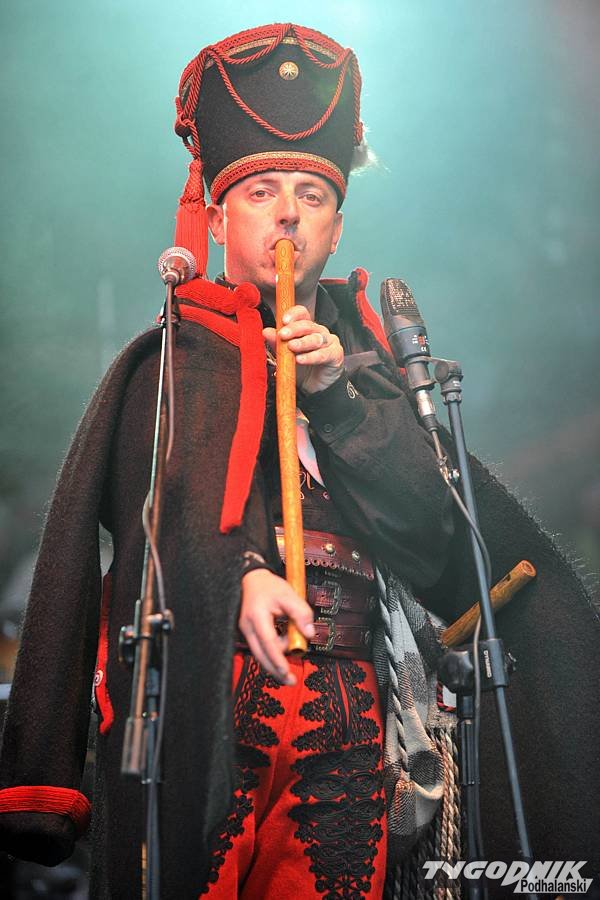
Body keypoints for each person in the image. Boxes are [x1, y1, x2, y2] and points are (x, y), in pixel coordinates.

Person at [1, 21, 599, 900]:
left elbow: (436, 541)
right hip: (204, 711)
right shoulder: (169, 363)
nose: (288, 213)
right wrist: (236, 575)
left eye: (312, 194)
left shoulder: (373, 376)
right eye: (261, 191)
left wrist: (338, 399)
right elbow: (148, 520)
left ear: (336, 226)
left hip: (348, 720)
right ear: (218, 218)